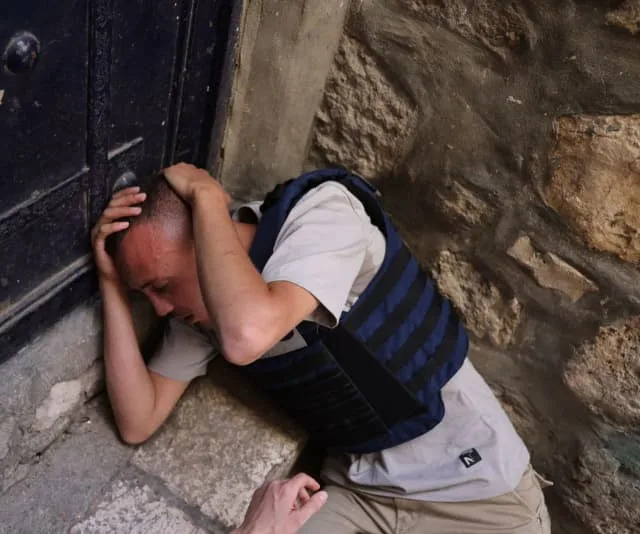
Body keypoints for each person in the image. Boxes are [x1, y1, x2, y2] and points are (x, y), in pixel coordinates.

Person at [90, 163, 552, 533]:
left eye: (162, 286)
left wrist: (208, 195)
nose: (162, 308)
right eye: (146, 296)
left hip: (475, 497)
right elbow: (137, 419)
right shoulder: (201, 315)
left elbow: (248, 334)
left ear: (210, 236)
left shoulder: (321, 214)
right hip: (356, 495)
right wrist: (112, 286)